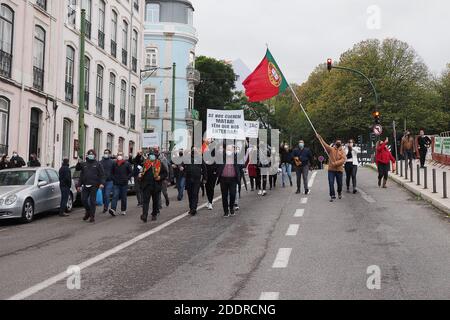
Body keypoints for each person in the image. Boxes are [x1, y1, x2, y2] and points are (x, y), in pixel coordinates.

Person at [76, 150, 105, 223]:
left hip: (94, 185)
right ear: (87, 155)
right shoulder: (84, 164)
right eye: (89, 154)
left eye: (92, 154)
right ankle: (88, 211)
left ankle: (92, 216)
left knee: (92, 201)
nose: (91, 155)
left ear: (95, 156)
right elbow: (80, 173)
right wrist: (79, 185)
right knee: (83, 199)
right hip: (85, 185)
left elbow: (102, 175)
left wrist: (102, 183)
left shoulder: (98, 164)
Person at [140, 149, 168, 223]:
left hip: (156, 186)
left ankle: (154, 214)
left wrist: (160, 177)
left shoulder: (159, 164)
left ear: (156, 157)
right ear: (149, 157)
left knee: (155, 201)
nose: (152, 157)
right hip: (147, 186)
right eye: (150, 155)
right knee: (145, 201)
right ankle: (144, 215)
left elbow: (165, 173)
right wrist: (140, 176)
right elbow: (142, 173)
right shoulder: (145, 164)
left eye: (153, 156)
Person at [316, 134, 346, 202]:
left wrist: (335, 163)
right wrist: (320, 138)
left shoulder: (342, 151)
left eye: (340, 142)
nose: (338, 143)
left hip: (339, 170)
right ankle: (332, 195)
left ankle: (339, 192)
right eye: (337, 142)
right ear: (335, 143)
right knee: (331, 182)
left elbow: (343, 160)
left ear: (341, 144)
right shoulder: (331, 149)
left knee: (340, 184)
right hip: (331, 170)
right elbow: (325, 145)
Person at [216, 145, 241, 217]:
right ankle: (226, 211)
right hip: (223, 179)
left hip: (233, 179)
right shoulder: (222, 157)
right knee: (224, 196)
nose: (229, 151)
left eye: (230, 149)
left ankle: (231, 208)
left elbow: (241, 163)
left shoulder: (235, 157)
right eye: (228, 149)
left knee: (233, 194)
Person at [184, 147, 207, 215]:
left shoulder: (200, 158)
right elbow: (183, 166)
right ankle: (191, 208)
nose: (194, 151)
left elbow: (204, 168)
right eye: (193, 150)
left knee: (195, 193)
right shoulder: (187, 158)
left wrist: (205, 178)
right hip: (188, 179)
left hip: (197, 179)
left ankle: (194, 208)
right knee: (190, 194)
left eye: (195, 150)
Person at [204, 143, 218, 210]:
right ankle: (209, 200)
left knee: (211, 187)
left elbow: (217, 163)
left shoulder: (216, 154)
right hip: (207, 173)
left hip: (213, 173)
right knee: (207, 187)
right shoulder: (206, 153)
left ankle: (210, 202)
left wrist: (216, 171)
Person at [100, 149, 114, 213]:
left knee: (107, 194)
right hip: (102, 181)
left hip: (109, 181)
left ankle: (106, 207)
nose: (106, 154)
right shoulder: (100, 162)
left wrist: (113, 178)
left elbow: (115, 171)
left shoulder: (112, 162)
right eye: (105, 152)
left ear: (109, 154)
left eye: (107, 153)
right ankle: (105, 204)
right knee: (103, 195)